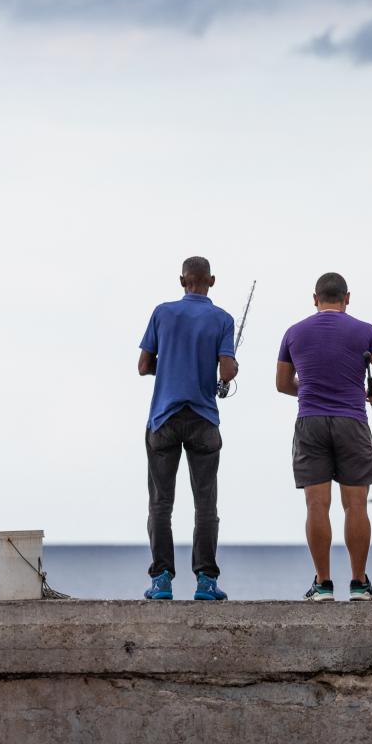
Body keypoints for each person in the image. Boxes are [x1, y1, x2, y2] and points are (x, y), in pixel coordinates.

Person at [276, 272, 372, 601]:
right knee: (355, 505)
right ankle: (358, 584)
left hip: (310, 421)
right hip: (352, 421)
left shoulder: (294, 333)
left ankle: (323, 584)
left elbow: (283, 384)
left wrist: (311, 389)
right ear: (347, 297)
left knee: (316, 505)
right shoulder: (365, 331)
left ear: (315, 298)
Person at [138, 256, 238, 601]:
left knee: (160, 504)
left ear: (182, 280)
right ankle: (206, 581)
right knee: (205, 505)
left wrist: (170, 369)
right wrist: (225, 367)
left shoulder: (162, 313)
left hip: (163, 418)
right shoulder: (222, 319)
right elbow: (226, 372)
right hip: (204, 419)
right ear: (211, 280)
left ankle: (162, 579)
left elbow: (143, 365)